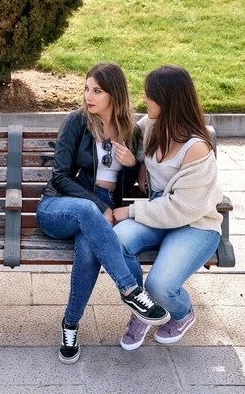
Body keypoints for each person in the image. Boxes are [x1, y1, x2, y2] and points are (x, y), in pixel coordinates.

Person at [36, 62, 170, 365]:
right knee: (86, 211)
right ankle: (132, 290)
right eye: (86, 89)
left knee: (88, 249)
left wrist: (130, 165)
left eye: (97, 90)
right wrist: (100, 206)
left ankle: (70, 324)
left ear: (114, 95)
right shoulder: (76, 122)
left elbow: (132, 181)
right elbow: (60, 177)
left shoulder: (130, 131)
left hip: (100, 210)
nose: (88, 96)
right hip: (61, 205)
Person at [113, 65, 223, 351]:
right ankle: (143, 308)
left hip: (195, 224)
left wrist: (133, 211)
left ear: (168, 100)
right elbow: (128, 144)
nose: (144, 100)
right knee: (116, 240)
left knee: (160, 286)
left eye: (150, 95)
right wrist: (136, 166)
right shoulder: (150, 126)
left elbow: (181, 208)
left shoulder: (197, 148)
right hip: (159, 213)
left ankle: (182, 313)